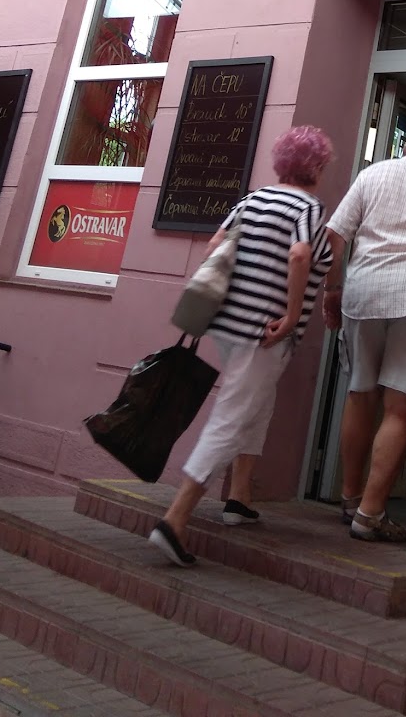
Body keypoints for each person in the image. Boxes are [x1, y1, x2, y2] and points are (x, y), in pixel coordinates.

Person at [149, 124, 339, 567]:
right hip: (264, 332)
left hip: (228, 324)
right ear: (315, 167)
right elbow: (300, 255)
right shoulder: (308, 207)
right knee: (231, 417)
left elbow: (216, 246)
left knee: (258, 404)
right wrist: (291, 315)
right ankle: (175, 520)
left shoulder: (252, 200)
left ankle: (238, 498)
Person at [323, 125, 406, 543]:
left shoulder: (373, 174)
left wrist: (332, 290)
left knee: (360, 393)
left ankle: (349, 498)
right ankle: (369, 514)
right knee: (400, 407)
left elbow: (334, 236)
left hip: (364, 293)